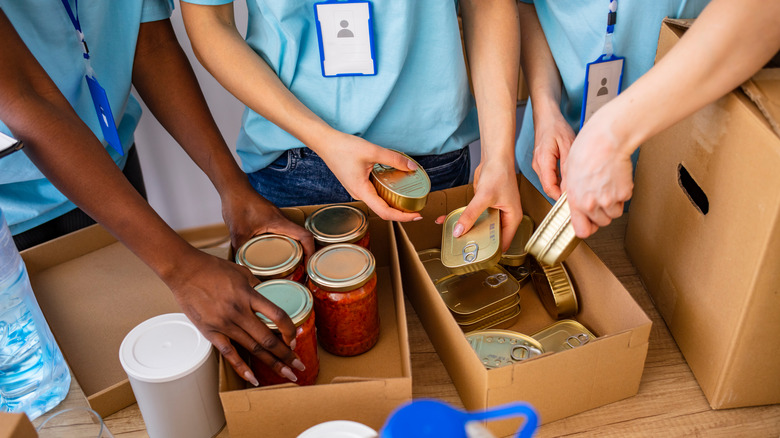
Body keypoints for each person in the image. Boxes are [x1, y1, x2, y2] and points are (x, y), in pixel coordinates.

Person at [0, 1, 315, 386]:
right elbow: (24, 96)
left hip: (106, 169)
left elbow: (149, 43)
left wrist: (232, 186)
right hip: (11, 206)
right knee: (38, 382)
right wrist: (181, 268)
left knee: (136, 363)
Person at [180, 0, 524, 250]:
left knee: (437, 329)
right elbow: (208, 20)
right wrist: (323, 139)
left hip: (428, 165)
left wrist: (499, 158)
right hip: (294, 159)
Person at [517, 0, 780, 238]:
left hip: (683, 190)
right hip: (548, 169)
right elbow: (527, 5)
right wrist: (546, 110)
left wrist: (613, 133)